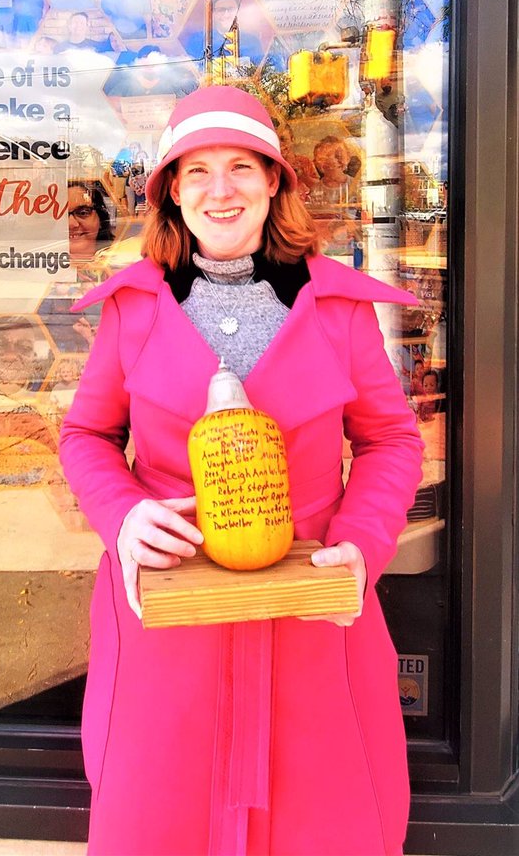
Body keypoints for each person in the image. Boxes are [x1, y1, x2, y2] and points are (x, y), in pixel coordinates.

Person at [59, 84, 423, 856]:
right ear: (171, 194)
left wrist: (364, 543)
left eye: (241, 169)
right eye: (197, 173)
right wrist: (124, 517)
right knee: (160, 817)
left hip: (314, 614)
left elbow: (392, 440)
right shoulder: (133, 307)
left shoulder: (339, 308)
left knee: (324, 817)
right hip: (169, 620)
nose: (220, 191)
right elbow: (87, 435)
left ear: (273, 182)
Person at [67, 181, 115, 264]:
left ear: (100, 218)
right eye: (61, 215)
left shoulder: (121, 264)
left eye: (83, 213)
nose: (71, 224)